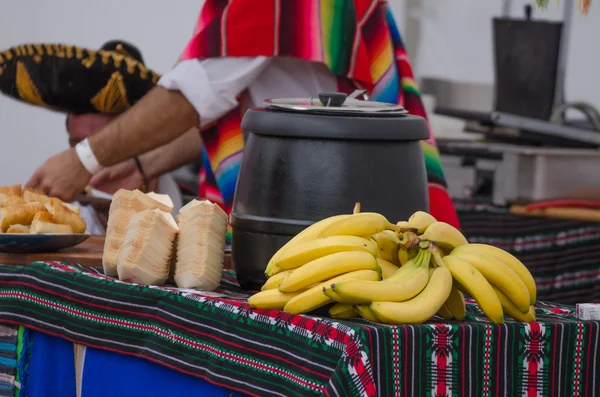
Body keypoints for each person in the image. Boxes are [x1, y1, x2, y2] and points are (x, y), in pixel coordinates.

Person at [25, 0, 460, 231]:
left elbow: (195, 95)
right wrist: (143, 163)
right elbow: (233, 107)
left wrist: (83, 160)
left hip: (369, 228)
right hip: (342, 211)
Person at [0, 39, 184, 234]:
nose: (86, 168)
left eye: (100, 146)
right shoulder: (58, 219)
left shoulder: (196, 206)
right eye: (77, 147)